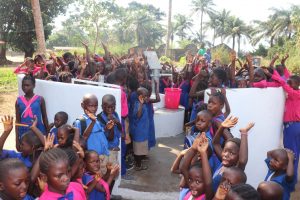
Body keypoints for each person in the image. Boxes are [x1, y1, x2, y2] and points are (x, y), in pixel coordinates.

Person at [271, 73, 300, 185]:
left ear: (297, 84)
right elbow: (286, 77)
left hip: (292, 127)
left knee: (290, 153)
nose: (288, 83)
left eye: (290, 82)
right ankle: (293, 177)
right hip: (295, 126)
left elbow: (284, 83)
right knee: (295, 153)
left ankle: (290, 178)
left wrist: (275, 76)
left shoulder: (295, 94)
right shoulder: (295, 94)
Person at [212, 116, 254, 192]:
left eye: (231, 153)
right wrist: (221, 127)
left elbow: (243, 161)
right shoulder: (223, 162)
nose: (226, 155)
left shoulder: (236, 169)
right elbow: (215, 143)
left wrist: (244, 133)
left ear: (239, 156)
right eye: (225, 151)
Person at [74, 94, 110, 175]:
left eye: (96, 106)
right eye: (91, 106)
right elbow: (81, 140)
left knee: (104, 181)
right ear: (83, 105)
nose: (94, 108)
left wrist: (106, 128)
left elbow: (98, 135)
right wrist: (92, 122)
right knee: (95, 183)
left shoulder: (96, 119)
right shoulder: (80, 122)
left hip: (102, 156)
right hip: (92, 161)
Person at [15, 74, 48, 140]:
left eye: (27, 85)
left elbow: (44, 117)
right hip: (24, 132)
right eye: (23, 85)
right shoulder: (18, 101)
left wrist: (47, 132)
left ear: (34, 86)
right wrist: (17, 139)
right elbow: (18, 121)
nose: (25, 87)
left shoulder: (40, 99)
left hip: (38, 130)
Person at [183, 132, 214, 200]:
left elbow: (208, 183)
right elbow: (184, 169)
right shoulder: (190, 193)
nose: (192, 184)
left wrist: (203, 153)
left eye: (198, 182)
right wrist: (193, 148)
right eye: (190, 180)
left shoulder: (206, 197)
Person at [132, 87, 149, 170]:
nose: (147, 98)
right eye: (145, 96)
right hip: (139, 132)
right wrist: (141, 104)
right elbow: (138, 116)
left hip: (143, 131)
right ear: (140, 97)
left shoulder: (143, 104)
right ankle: (138, 166)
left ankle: (138, 162)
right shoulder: (138, 104)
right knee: (138, 150)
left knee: (141, 149)